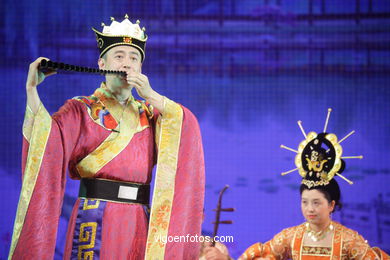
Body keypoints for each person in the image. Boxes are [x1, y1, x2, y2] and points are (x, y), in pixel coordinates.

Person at [9, 15, 205, 259]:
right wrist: (32, 91)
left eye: (134, 58)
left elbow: (186, 128)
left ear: (141, 69)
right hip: (95, 216)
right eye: (119, 56)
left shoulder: (151, 114)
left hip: (138, 220)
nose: (127, 63)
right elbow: (47, 143)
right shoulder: (81, 109)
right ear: (102, 64)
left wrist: (152, 95)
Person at [239, 129, 389, 259]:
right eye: (305, 202)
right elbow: (263, 253)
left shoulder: (348, 239)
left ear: (331, 205)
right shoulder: (292, 236)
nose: (309, 209)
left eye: (316, 203)